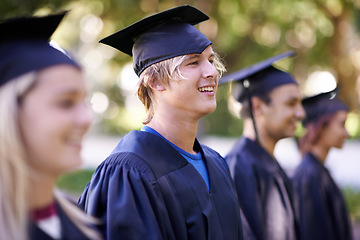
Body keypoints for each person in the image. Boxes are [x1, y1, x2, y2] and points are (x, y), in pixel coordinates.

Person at [78, 4, 243, 240]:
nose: (212, 72)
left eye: (210, 60)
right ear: (155, 81)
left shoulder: (217, 164)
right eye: (194, 62)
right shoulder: (128, 172)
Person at [0, 12, 102, 240]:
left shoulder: (80, 221)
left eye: (85, 103)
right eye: (66, 103)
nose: (87, 119)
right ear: (8, 114)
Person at [220, 52, 304, 240]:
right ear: (258, 107)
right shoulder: (238, 167)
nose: (301, 113)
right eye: (291, 104)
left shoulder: (270, 163)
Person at [292, 88, 353, 240]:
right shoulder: (309, 175)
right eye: (342, 124)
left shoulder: (318, 171)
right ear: (321, 127)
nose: (347, 133)